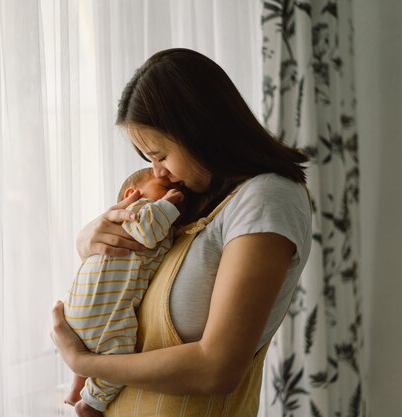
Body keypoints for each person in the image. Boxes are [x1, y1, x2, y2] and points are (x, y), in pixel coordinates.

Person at [52, 48, 312, 417]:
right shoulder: (189, 203)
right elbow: (127, 291)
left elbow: (216, 368)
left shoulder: (266, 198)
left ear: (199, 131)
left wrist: (84, 362)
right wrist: (87, 242)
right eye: (149, 160)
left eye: (160, 155)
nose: (157, 172)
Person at [64, 167, 185, 417]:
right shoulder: (136, 212)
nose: (176, 192)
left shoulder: (160, 224)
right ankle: (92, 403)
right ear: (132, 194)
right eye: (164, 188)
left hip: (84, 306)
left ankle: (77, 386)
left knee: (89, 348)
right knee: (119, 354)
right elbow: (148, 231)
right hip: (103, 311)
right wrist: (168, 203)